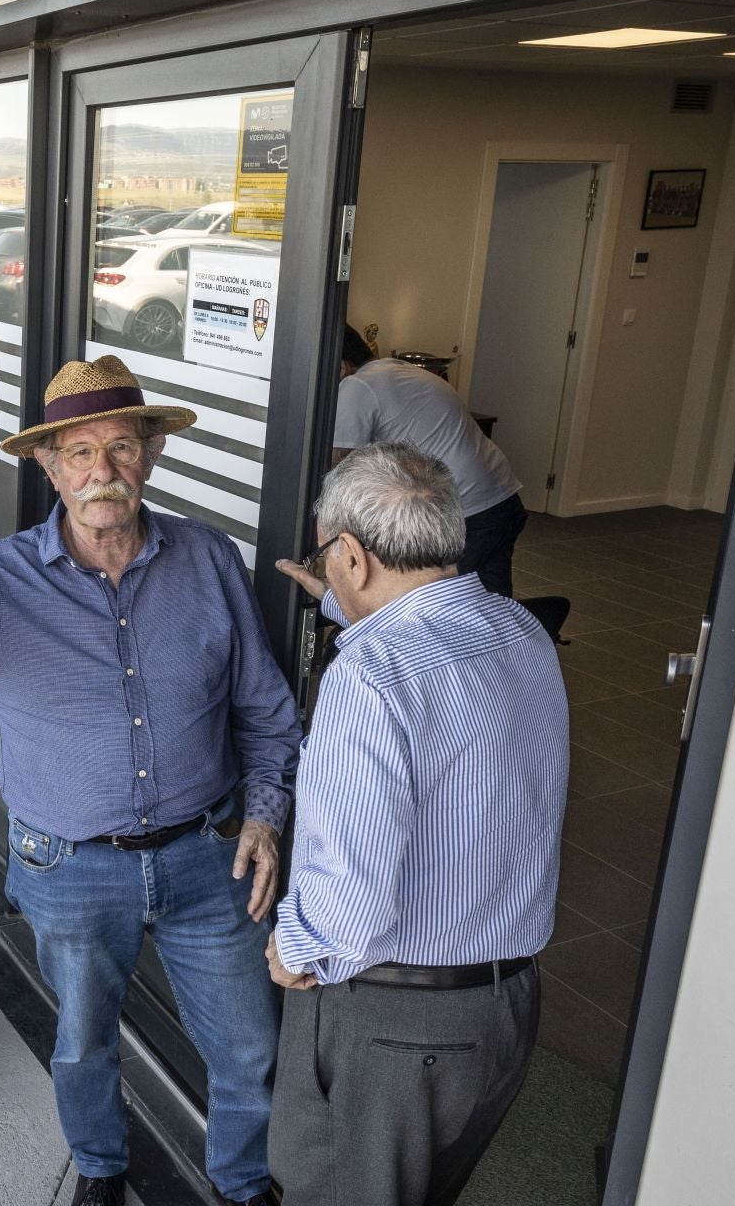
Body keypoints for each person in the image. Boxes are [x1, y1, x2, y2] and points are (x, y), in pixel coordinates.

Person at [0, 353, 298, 1206]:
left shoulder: (209, 562)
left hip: (211, 859)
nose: (104, 470)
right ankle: (100, 1169)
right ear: (49, 466)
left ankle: (244, 1185)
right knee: (84, 1042)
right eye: (81, 452)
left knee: (248, 1049)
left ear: (152, 455)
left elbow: (267, 714)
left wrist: (267, 815)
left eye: (124, 447)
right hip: (70, 866)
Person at [265, 443, 567, 1206]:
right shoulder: (522, 632)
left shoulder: (371, 677)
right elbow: (421, 620)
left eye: (326, 554)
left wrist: (292, 946)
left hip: (396, 1029)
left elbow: (349, 906)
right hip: (504, 1009)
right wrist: (337, 600)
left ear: (353, 555)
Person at [335, 327, 526, 596]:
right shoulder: (402, 370)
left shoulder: (357, 386)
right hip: (502, 500)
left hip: (464, 513)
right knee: (491, 600)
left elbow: (337, 467)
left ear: (342, 367)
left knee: (432, 599)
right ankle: (513, 638)